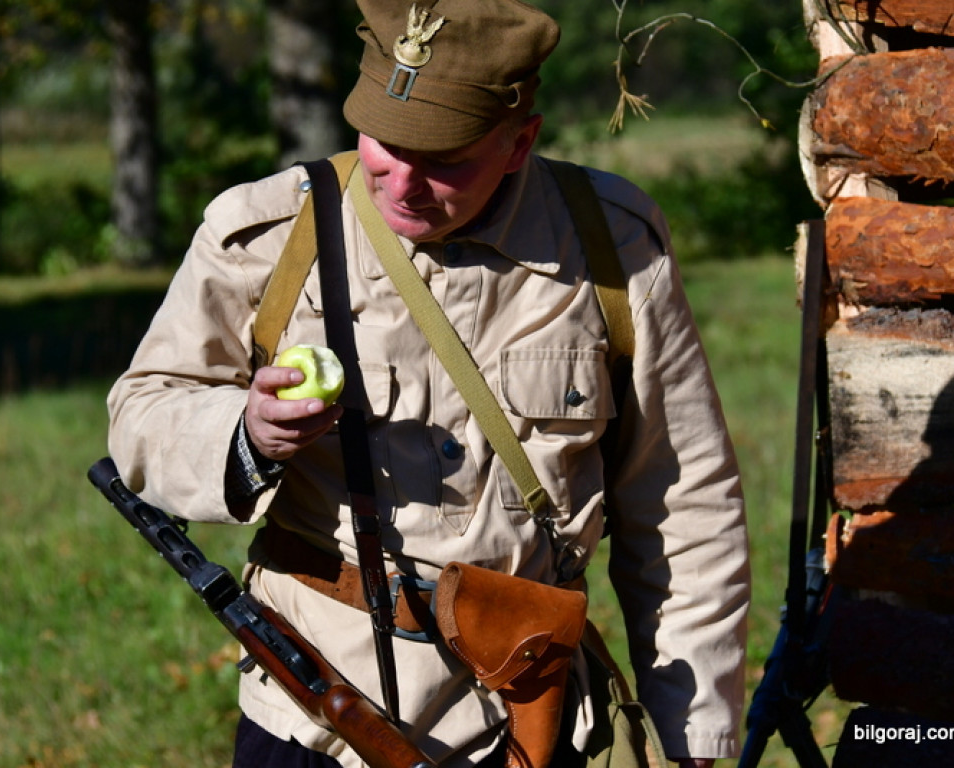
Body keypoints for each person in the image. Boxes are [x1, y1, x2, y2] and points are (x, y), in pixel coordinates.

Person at [106, 1, 750, 767]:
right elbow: (141, 414)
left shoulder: (612, 248)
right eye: (384, 144)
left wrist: (694, 739)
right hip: (314, 714)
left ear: (520, 143)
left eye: (444, 159)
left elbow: (683, 505)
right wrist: (248, 437)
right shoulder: (268, 232)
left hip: (529, 720)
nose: (402, 183)